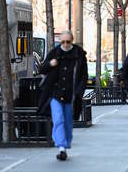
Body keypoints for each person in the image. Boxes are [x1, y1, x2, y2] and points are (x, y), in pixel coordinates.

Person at [38, 30, 88, 161]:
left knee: (68, 122)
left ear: (72, 41)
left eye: (68, 42)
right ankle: (61, 147)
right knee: (58, 119)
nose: (65, 44)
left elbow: (84, 76)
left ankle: (65, 145)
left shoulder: (79, 55)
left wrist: (79, 92)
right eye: (63, 42)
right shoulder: (54, 53)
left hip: (71, 95)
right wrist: (50, 64)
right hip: (55, 93)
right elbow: (42, 69)